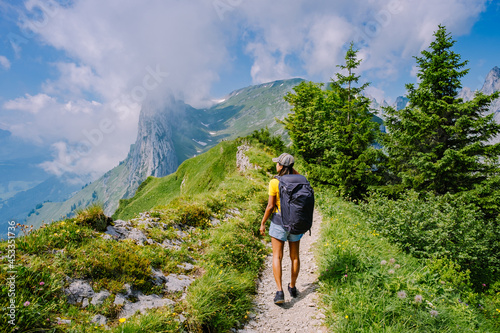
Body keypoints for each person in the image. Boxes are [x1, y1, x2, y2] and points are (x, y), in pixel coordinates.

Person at [260, 153, 303, 305]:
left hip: (279, 222)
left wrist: (263, 222)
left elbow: (271, 206)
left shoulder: (274, 182)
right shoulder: (300, 181)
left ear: (280, 166)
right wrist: (291, 169)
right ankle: (292, 286)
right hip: (296, 223)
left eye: (277, 163)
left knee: (277, 256)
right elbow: (299, 175)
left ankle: (279, 292)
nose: (275, 165)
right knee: (295, 257)